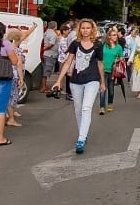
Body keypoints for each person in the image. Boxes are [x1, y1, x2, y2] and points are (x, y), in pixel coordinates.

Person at [51, 18, 105, 154]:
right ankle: (83, 132)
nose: (85, 30)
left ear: (92, 29)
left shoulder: (98, 45)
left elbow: (99, 64)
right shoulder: (75, 44)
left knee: (87, 108)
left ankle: (81, 139)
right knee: (78, 109)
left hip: (92, 80)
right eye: (83, 28)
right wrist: (59, 80)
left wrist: (102, 82)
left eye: (88, 28)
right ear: (79, 29)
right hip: (76, 80)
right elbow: (68, 62)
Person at [99, 27, 124, 115]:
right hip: (103, 70)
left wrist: (118, 60)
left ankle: (110, 103)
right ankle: (102, 106)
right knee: (103, 88)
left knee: (111, 89)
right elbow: (99, 58)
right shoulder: (104, 46)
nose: (115, 37)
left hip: (112, 71)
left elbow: (122, 58)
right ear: (109, 36)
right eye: (113, 35)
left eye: (116, 35)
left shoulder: (118, 47)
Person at [40, 21, 59, 93]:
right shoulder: (53, 34)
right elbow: (51, 44)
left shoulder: (46, 32)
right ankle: (43, 87)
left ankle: (43, 86)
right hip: (50, 54)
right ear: (55, 26)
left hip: (45, 54)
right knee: (46, 71)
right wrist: (43, 49)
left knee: (44, 70)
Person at [56, 23, 73, 100]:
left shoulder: (66, 38)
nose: (68, 32)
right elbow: (65, 50)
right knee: (63, 75)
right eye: (67, 30)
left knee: (67, 76)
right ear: (63, 31)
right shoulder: (62, 40)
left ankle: (63, 89)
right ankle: (59, 89)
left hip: (65, 59)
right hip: (63, 59)